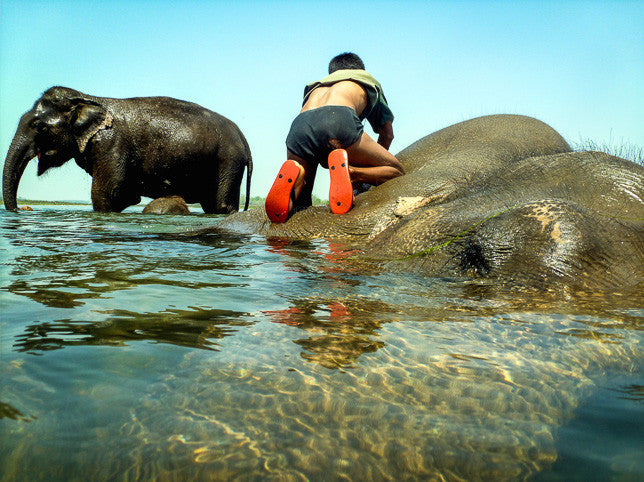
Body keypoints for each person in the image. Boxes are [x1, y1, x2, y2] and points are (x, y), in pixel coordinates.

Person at [265, 52, 405, 223]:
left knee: (302, 202)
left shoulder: (317, 87)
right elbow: (387, 134)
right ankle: (352, 173)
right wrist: (368, 169)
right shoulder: (365, 79)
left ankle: (298, 179)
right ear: (359, 69)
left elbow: (315, 126)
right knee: (396, 171)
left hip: (299, 127)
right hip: (337, 119)